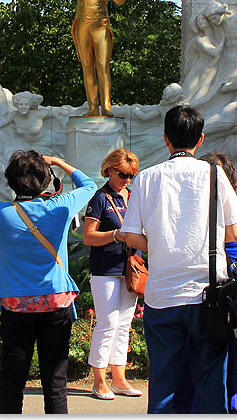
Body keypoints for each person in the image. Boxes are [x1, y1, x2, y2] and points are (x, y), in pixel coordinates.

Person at [120, 105, 237, 414]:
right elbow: (235, 232)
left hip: (162, 297)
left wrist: (160, 243)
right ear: (200, 139)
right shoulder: (215, 173)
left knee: (164, 384)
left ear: (165, 139)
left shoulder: (146, 178)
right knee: (212, 382)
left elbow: (132, 237)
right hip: (209, 297)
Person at [0, 151, 96, 414]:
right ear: (46, 179)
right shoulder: (60, 208)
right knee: (55, 381)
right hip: (55, 301)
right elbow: (90, 185)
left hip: (16, 304)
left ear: (11, 180)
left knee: (12, 381)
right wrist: (60, 162)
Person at [171, 151, 237, 415]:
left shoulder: (220, 217)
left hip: (209, 302)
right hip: (224, 304)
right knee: (217, 370)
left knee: (198, 371)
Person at [53, 0, 146, 117]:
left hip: (101, 26)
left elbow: (118, 0)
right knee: (87, 67)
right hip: (83, 26)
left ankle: (107, 107)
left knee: (103, 67)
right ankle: (93, 109)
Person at [82, 148, 142, 400]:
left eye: (131, 175)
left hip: (131, 268)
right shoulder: (100, 198)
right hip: (105, 270)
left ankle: (119, 378)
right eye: (122, 174)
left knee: (124, 325)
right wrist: (116, 235)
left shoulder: (134, 196)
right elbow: (88, 236)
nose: (127, 179)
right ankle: (99, 380)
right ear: (109, 170)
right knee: (107, 324)